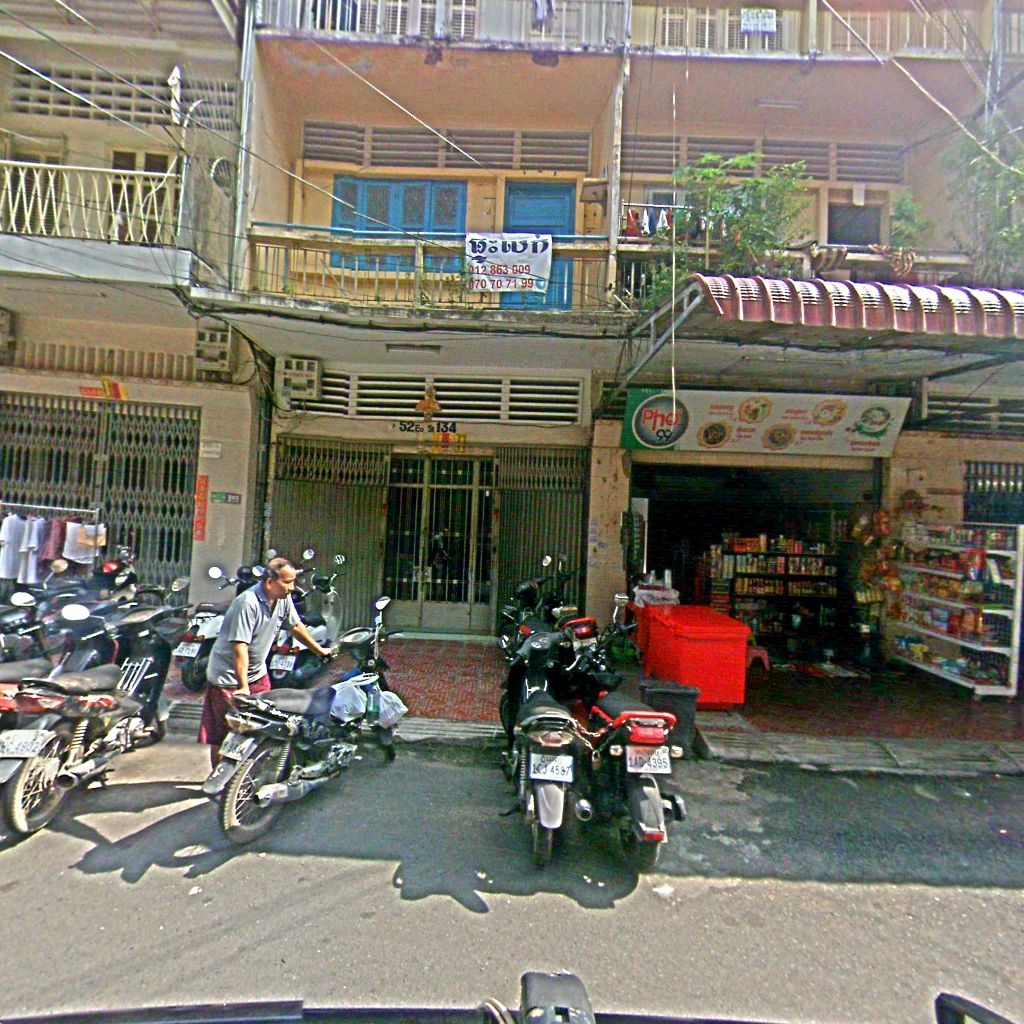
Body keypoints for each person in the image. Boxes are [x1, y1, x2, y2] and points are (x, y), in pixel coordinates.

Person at [198, 555, 332, 768]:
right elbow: (240, 647)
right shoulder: (247, 603)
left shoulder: (283, 598)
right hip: (228, 678)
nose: (292, 587)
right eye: (288, 582)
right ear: (270, 582)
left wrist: (319, 650)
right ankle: (220, 778)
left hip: (258, 674)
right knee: (227, 731)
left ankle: (250, 774)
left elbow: (295, 625)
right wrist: (243, 686)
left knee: (262, 725)